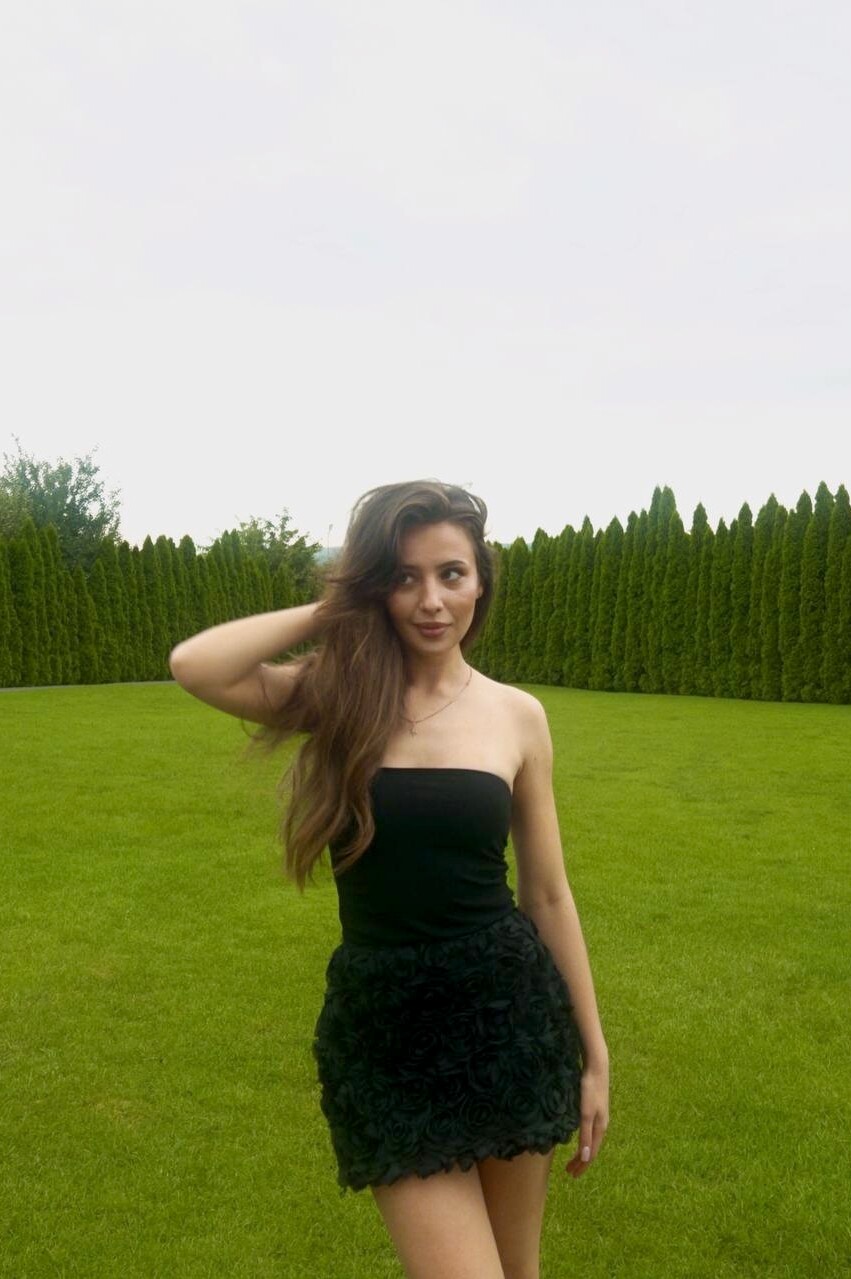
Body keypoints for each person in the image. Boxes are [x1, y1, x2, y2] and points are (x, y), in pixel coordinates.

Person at [169, 479, 609, 1279]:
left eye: (451, 573)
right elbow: (195, 664)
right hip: (385, 1032)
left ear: (480, 582)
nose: (431, 600)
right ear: (377, 587)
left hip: (505, 1016)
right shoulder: (337, 697)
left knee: (517, 1270)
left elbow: (547, 893)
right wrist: (339, 605)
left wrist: (593, 1053)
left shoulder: (517, 715)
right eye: (404, 577)